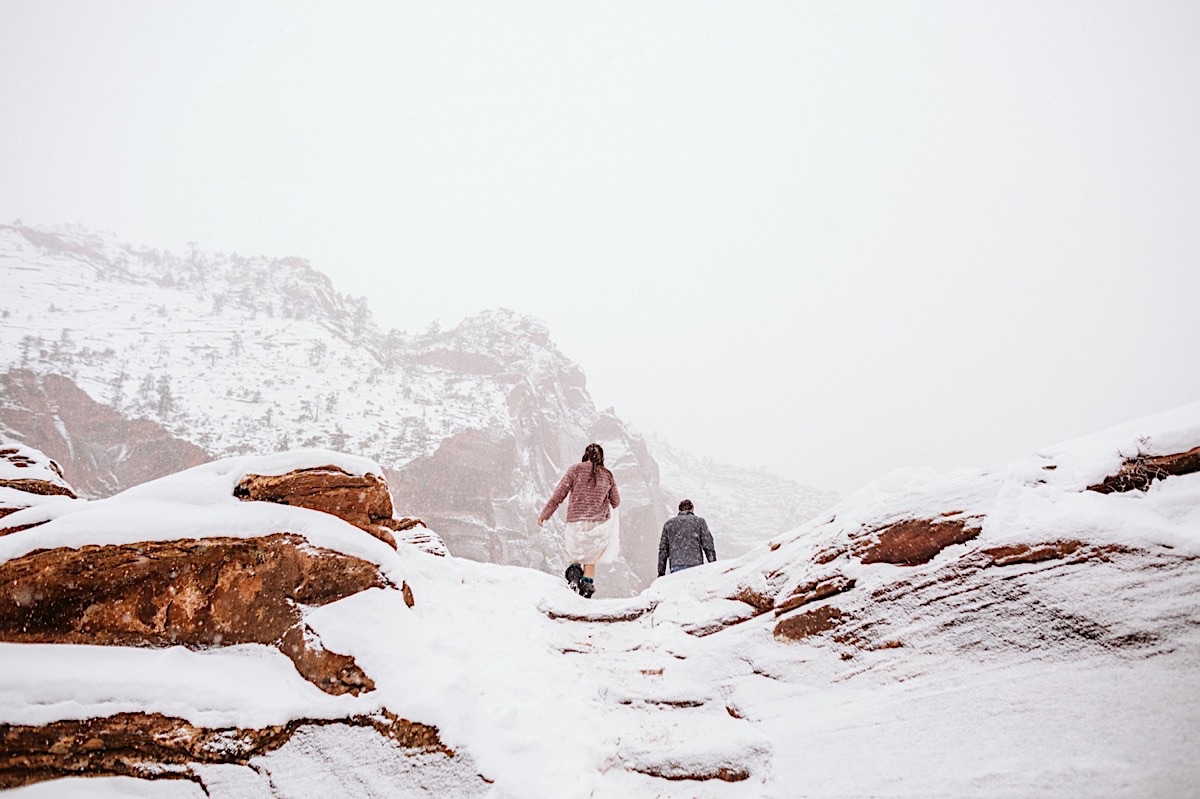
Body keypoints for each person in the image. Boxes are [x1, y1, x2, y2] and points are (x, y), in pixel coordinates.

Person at [538, 443, 621, 598]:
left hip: (576, 522)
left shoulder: (575, 470)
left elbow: (559, 495)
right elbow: (616, 501)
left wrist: (545, 514)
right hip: (598, 525)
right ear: (601, 457)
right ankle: (586, 588)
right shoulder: (608, 475)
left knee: (574, 555)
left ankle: (574, 578)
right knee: (590, 559)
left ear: (585, 455)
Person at [657, 499, 716, 577]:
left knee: (680, 587)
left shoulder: (669, 524)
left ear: (679, 510)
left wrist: (661, 572)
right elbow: (708, 544)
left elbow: (663, 550)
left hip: (676, 565)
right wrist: (713, 564)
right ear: (692, 509)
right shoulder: (699, 522)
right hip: (696, 564)